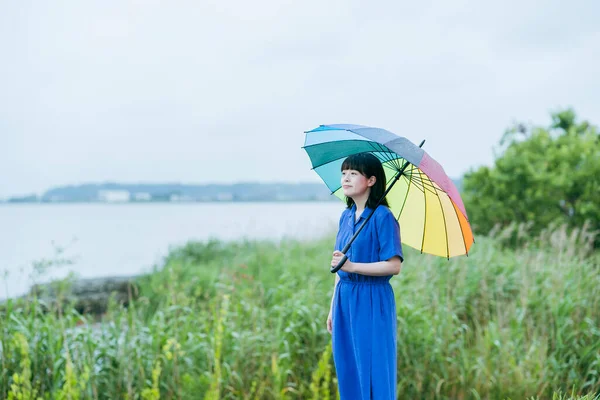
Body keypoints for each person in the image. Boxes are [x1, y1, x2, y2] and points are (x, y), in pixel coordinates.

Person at [327, 152, 403, 400]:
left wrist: (353, 267)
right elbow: (340, 265)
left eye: (354, 173)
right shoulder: (346, 216)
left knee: (373, 366)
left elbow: (393, 266)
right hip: (344, 299)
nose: (346, 178)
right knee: (348, 366)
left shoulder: (383, 217)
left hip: (372, 300)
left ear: (371, 180)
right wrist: (331, 308)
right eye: (344, 173)